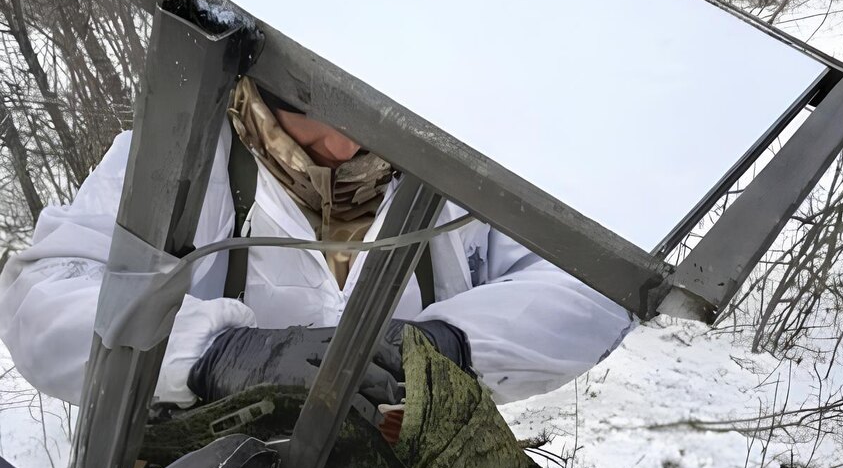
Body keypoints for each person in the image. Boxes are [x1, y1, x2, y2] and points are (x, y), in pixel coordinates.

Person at [0, 79, 633, 418]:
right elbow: (42, 297)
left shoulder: (464, 162)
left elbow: (594, 283)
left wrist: (451, 346)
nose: (341, 143)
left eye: (360, 109)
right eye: (307, 107)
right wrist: (216, 355)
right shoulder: (180, 158)